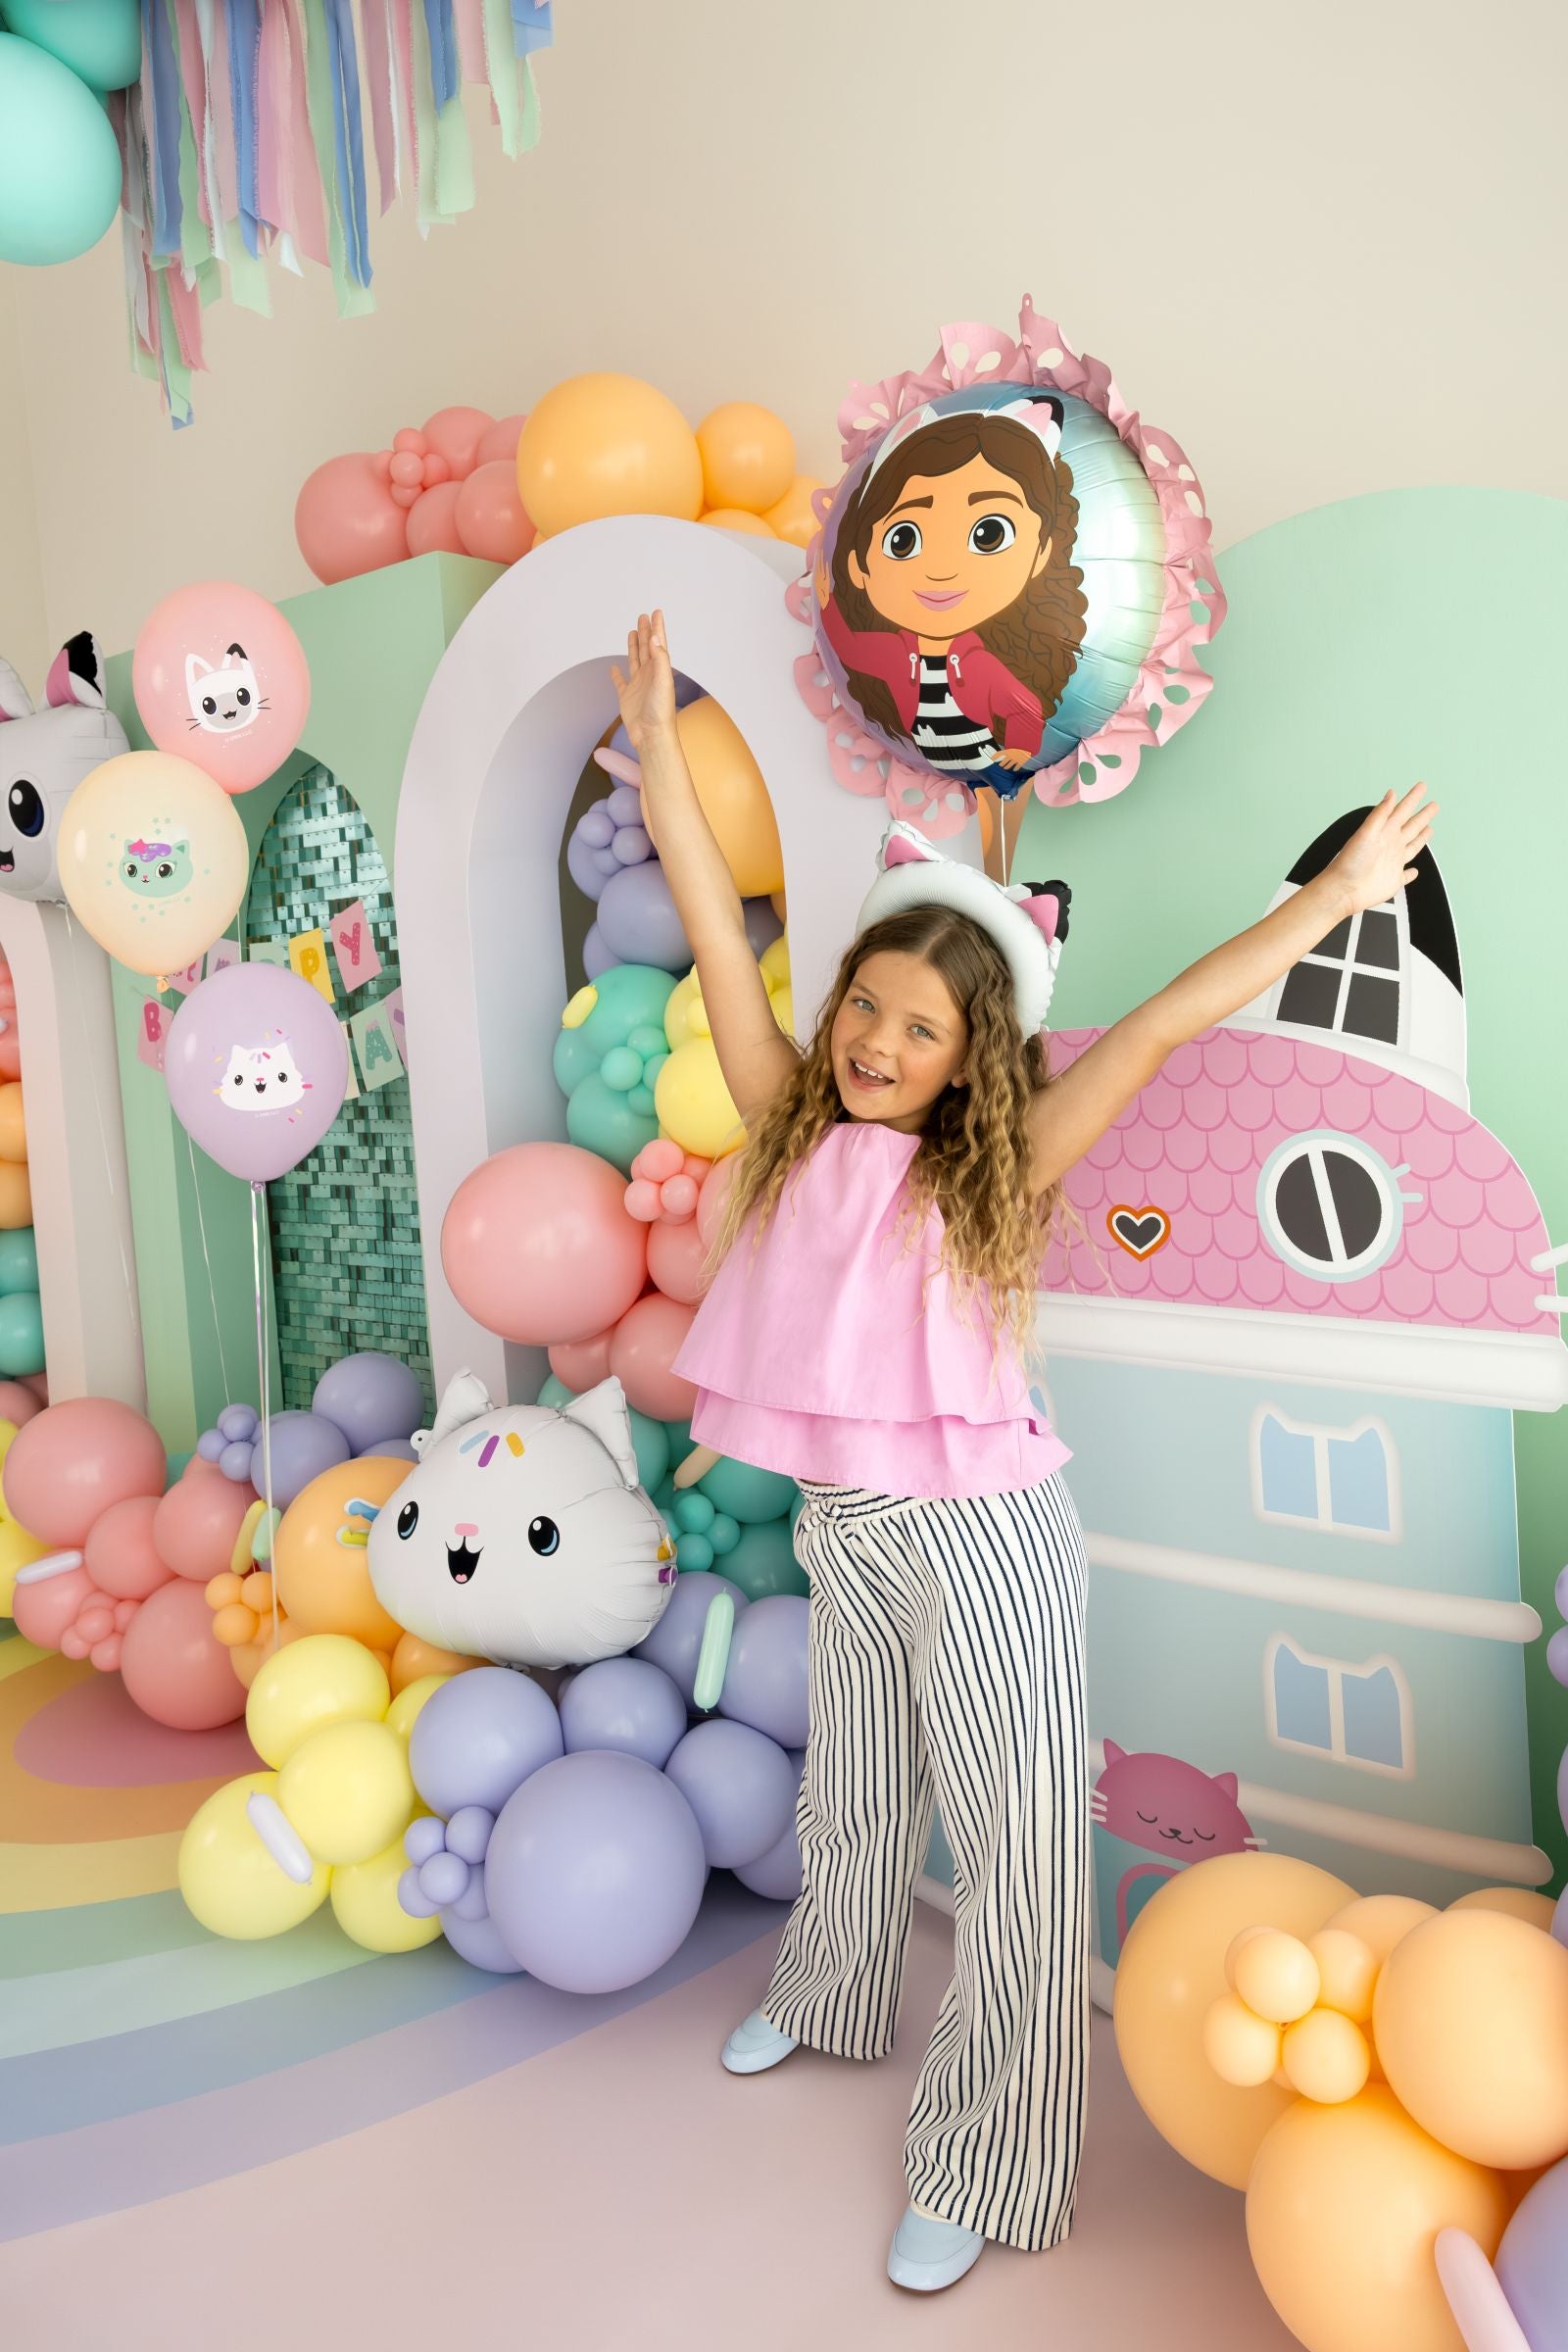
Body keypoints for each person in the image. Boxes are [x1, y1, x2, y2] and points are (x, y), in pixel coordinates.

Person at [612, 610, 1436, 2296]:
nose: (876, 1047)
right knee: (849, 1780)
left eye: (918, 1031)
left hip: (985, 1533)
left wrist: (1336, 903)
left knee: (1009, 1848)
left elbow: (1157, 1026)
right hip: (850, 1516)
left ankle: (984, 2159)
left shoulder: (998, 1164)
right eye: (866, 1011)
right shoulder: (789, 1122)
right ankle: (831, 1989)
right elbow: (711, 938)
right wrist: (671, 776)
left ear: (972, 1055)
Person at [815, 391, 1088, 881]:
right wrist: (829, 601)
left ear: (1040, 550)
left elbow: (1020, 706)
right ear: (859, 565)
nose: (940, 570)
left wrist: (1022, 748)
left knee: (1006, 822)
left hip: (986, 758)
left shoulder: (980, 664)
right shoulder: (898, 656)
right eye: (905, 539)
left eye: (988, 534)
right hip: (927, 762)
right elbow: (852, 649)